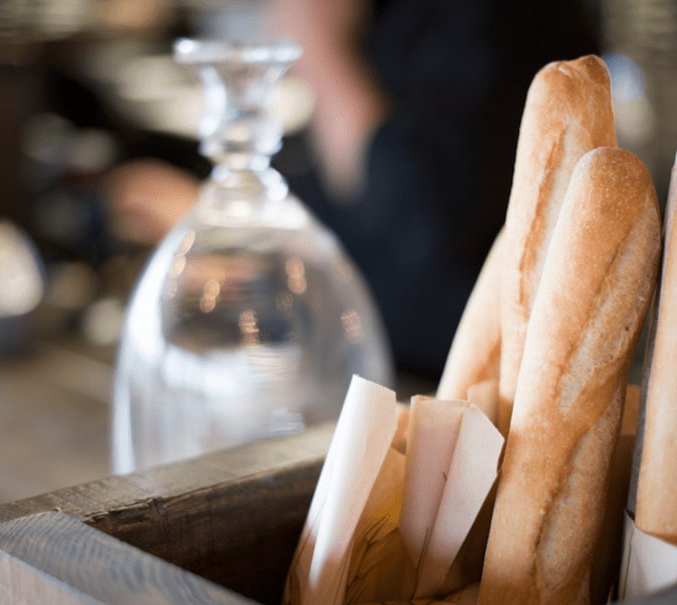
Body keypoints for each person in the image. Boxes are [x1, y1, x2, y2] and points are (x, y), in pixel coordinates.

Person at [108, 0, 601, 380]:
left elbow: (423, 235)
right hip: (365, 373)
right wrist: (224, 219)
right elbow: (336, 193)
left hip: (453, 397)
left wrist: (319, 49)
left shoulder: (500, 19)